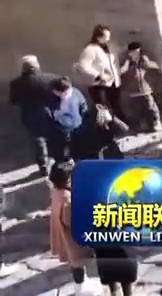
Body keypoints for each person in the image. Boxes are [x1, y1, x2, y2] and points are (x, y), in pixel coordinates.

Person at [48, 162, 94, 294]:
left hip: (63, 236)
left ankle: (82, 283)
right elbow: (71, 221)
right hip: (72, 240)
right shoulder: (68, 200)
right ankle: (81, 288)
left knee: (75, 262)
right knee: (77, 262)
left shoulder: (56, 191)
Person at [10, 55, 56, 174]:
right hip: (49, 112)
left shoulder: (16, 83)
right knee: (53, 136)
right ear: (37, 66)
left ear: (23, 68)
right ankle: (56, 160)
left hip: (29, 113)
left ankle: (43, 163)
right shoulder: (50, 79)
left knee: (37, 139)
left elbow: (14, 101)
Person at [74, 25, 120, 114]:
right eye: (106, 37)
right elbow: (83, 66)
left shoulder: (107, 48)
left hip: (112, 84)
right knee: (104, 111)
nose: (108, 39)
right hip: (99, 85)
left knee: (115, 108)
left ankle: (116, 122)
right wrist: (98, 75)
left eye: (109, 36)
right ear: (98, 38)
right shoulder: (90, 49)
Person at [46, 78, 88, 163]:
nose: (66, 95)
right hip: (60, 129)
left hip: (77, 126)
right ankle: (63, 162)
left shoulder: (75, 93)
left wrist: (84, 120)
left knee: (78, 148)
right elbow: (47, 114)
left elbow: (83, 107)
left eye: (67, 92)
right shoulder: (51, 98)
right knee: (61, 150)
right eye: (62, 93)